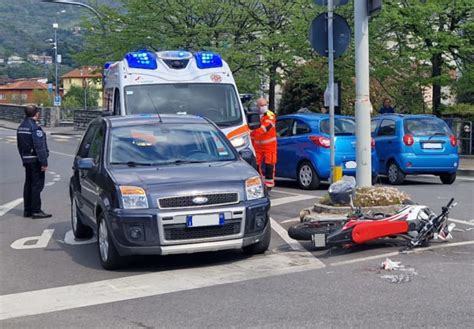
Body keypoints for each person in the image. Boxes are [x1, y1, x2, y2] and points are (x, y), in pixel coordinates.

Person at [16, 105, 52, 219]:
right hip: (35, 160)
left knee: (28, 184)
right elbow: (39, 146)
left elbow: (19, 145)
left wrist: (23, 158)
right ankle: (36, 210)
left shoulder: (21, 127)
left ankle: (27, 210)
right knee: (37, 186)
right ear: (36, 114)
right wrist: (44, 162)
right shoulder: (35, 128)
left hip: (26, 159)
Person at [250, 97, 277, 191]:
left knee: (269, 166)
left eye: (265, 105)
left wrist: (252, 131)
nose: (264, 107)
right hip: (257, 146)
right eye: (261, 105)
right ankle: (260, 183)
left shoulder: (270, 115)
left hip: (269, 146)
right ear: (257, 106)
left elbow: (265, 128)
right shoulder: (255, 115)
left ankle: (269, 187)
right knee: (256, 165)